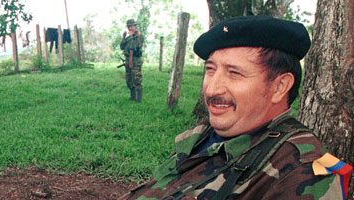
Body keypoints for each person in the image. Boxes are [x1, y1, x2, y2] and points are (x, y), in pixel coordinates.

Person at [118, 15, 352, 200]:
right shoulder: (204, 135)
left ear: (280, 86)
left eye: (234, 73)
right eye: (210, 70)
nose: (212, 89)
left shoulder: (301, 173)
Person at [120, 19, 144, 103]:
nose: (130, 28)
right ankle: (132, 97)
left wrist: (130, 61)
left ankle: (139, 99)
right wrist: (123, 37)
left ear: (135, 26)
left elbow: (134, 47)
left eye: (131, 26)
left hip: (135, 60)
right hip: (127, 60)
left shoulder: (138, 35)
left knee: (136, 79)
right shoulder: (128, 37)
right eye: (128, 26)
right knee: (129, 79)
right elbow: (122, 47)